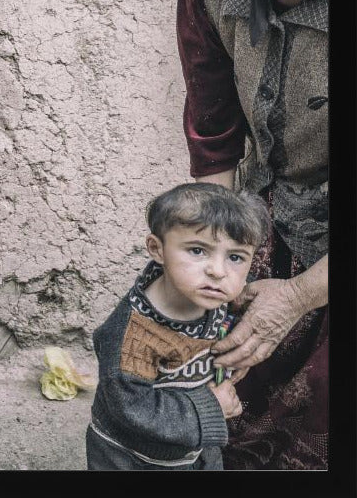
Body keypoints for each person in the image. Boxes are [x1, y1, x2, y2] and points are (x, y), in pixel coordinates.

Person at [176, 0, 329, 469]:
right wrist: (216, 258)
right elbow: (214, 139)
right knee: (212, 387)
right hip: (266, 218)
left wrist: (296, 297)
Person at [86, 183, 269, 470]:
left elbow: (221, 331)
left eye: (235, 257)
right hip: (131, 457)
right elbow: (131, 407)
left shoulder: (212, 297)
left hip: (193, 449)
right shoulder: (133, 335)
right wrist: (211, 408)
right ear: (157, 249)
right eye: (197, 251)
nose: (218, 271)